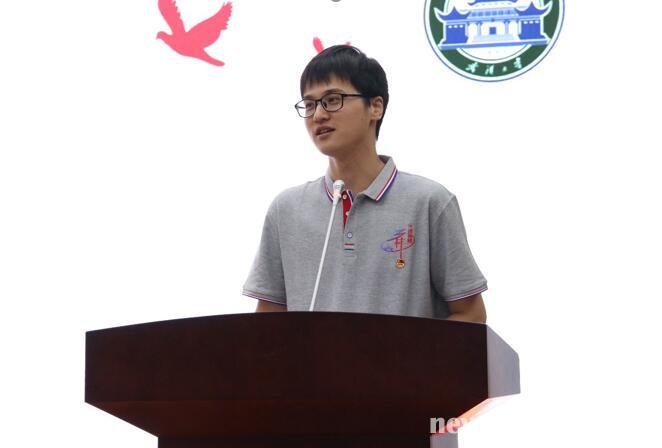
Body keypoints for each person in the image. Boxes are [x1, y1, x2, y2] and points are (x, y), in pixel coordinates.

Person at [242, 45, 487, 323]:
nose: (318, 115)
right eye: (309, 105)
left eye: (332, 100)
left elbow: (470, 314)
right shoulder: (286, 209)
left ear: (375, 107)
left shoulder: (429, 202)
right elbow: (268, 320)